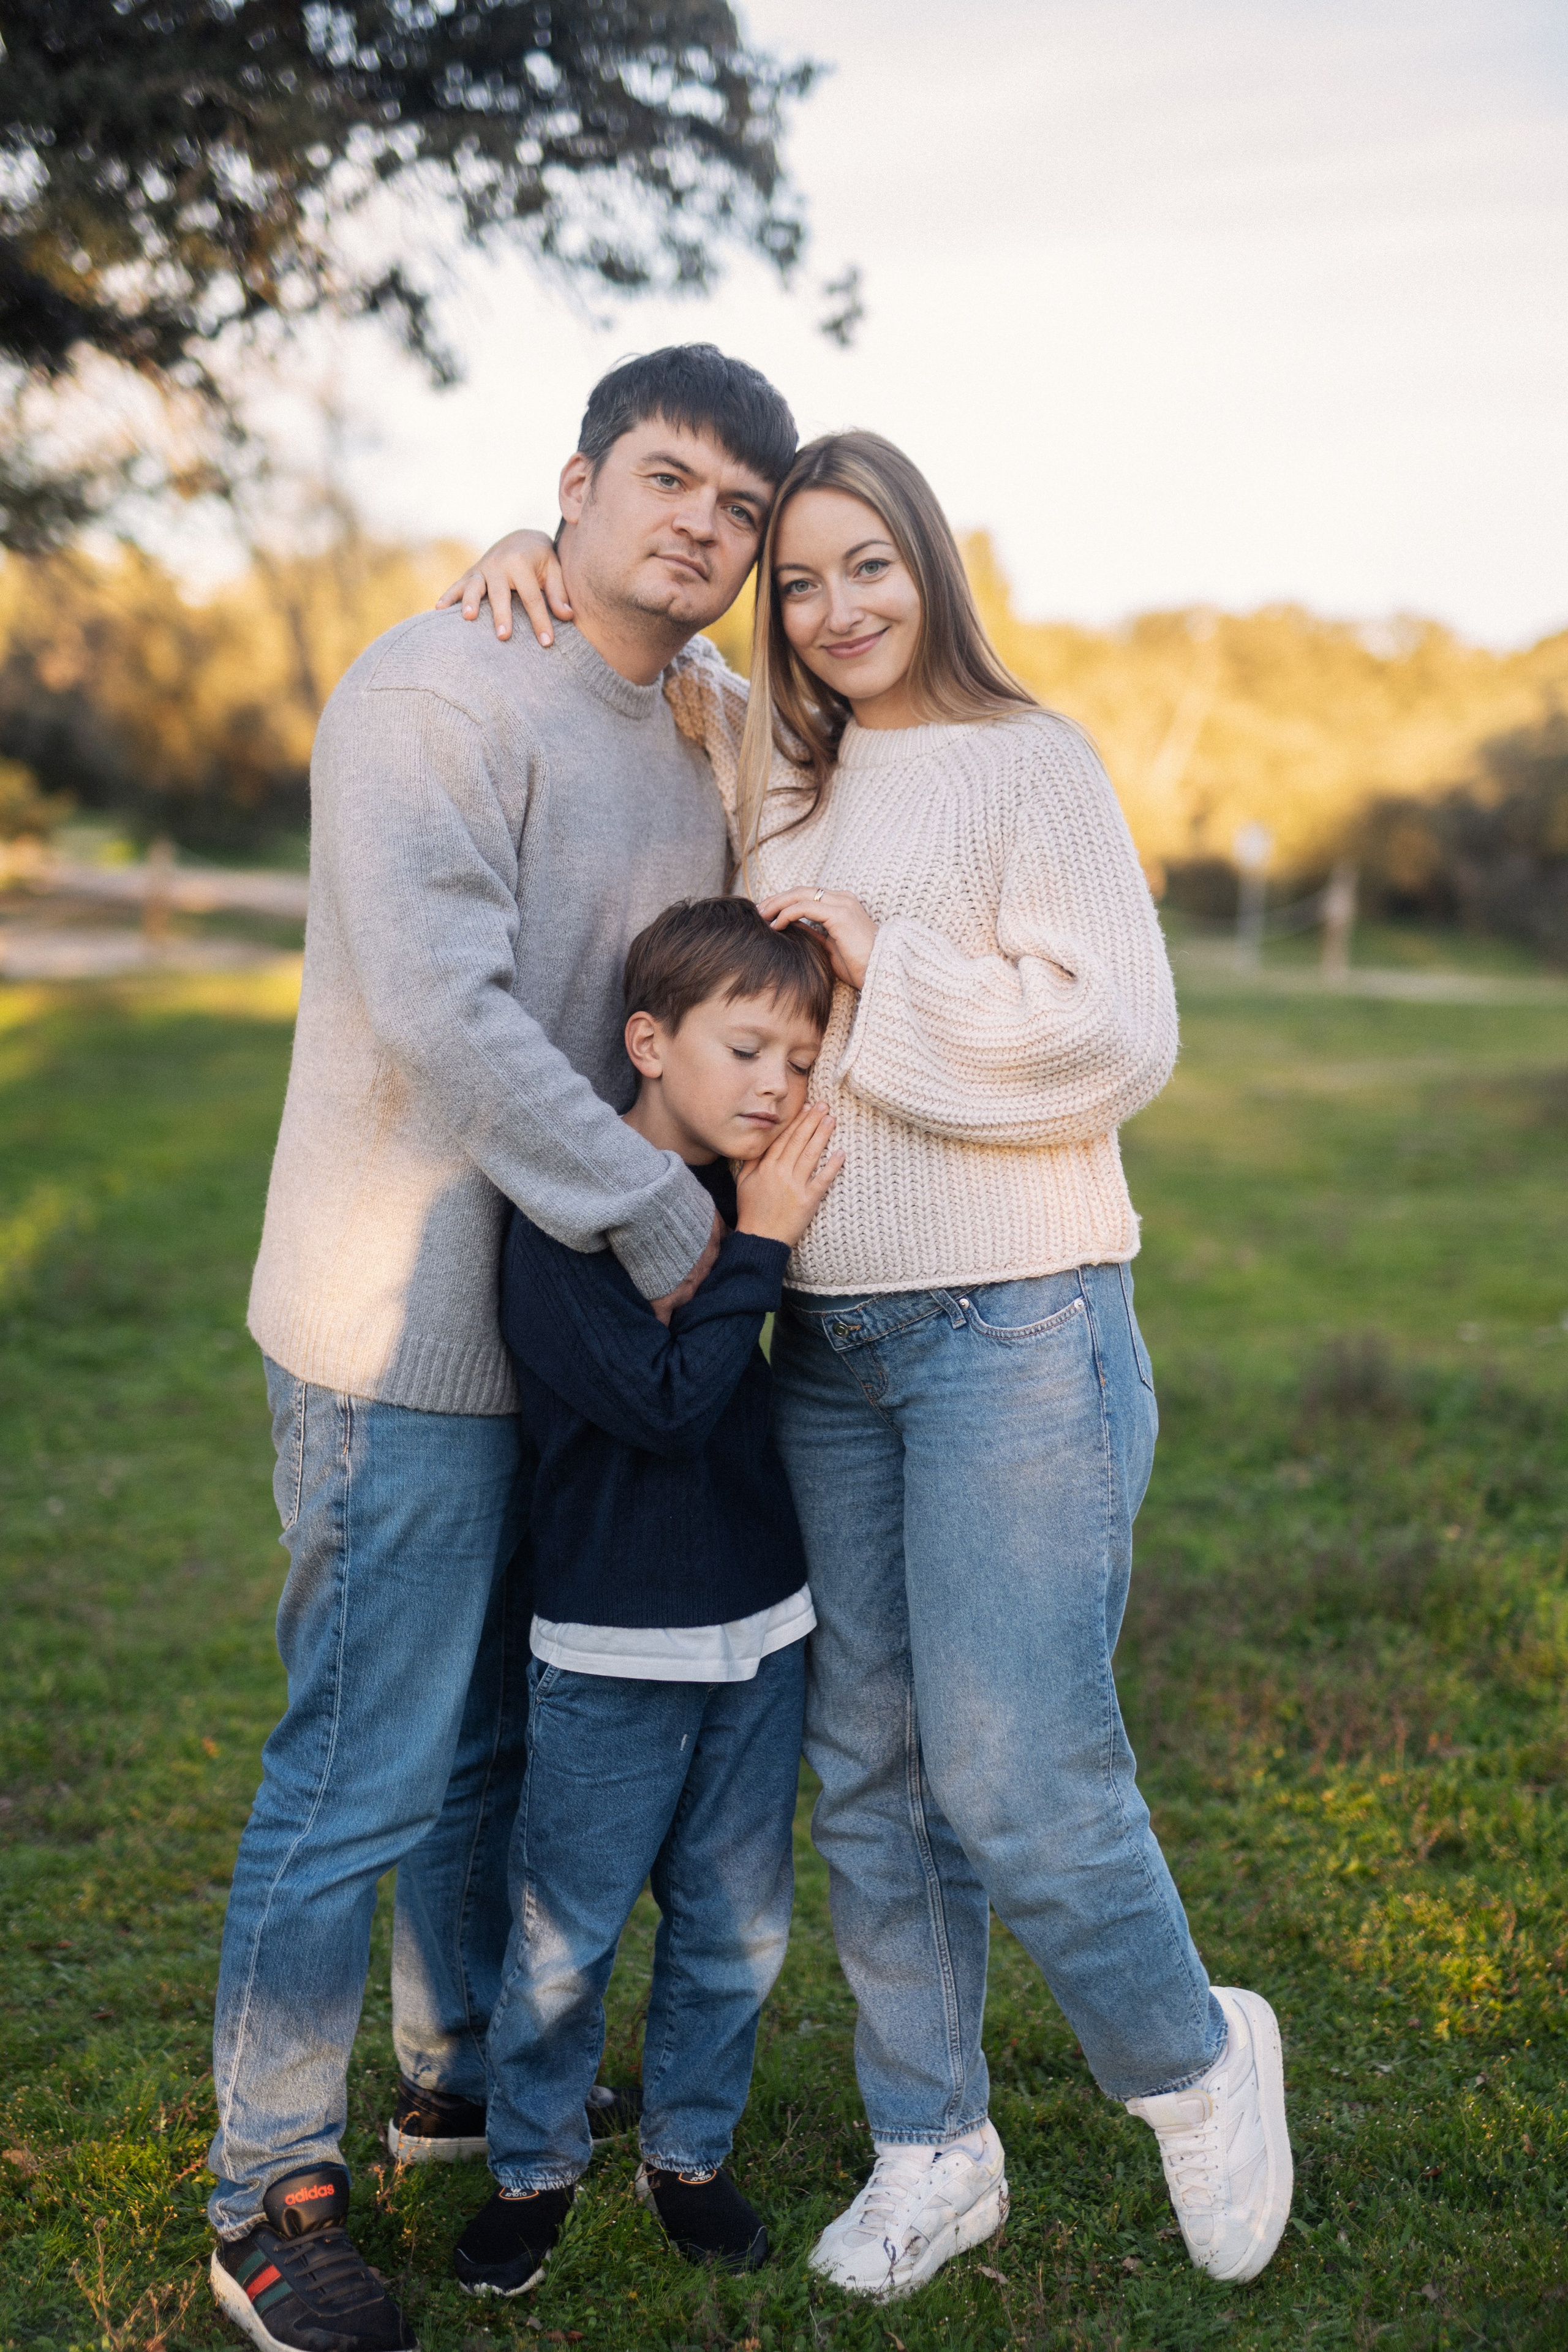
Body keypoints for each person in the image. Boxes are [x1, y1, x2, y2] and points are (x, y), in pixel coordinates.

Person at [447, 432, 1294, 2302]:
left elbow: (1119, 1043)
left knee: (1018, 1770)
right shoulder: (778, 765)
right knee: (872, 1774)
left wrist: (883, 964)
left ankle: (1195, 2058)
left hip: (1014, 1321)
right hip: (824, 1345)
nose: (835, 610)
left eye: (868, 567)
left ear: (932, 563)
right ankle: (934, 2143)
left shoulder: (1030, 763)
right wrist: (538, 545)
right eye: (801, 580)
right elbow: (657, 642)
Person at [207, 346, 798, 2352]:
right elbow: (445, 1013)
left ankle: (454, 2080)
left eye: (738, 508)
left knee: (496, 1741)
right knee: (359, 1766)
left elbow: (811, 769)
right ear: (577, 480)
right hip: (403, 1327)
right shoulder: (434, 690)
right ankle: (265, 2196)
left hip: (575, 1345)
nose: (701, 527)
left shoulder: (701, 721)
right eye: (665, 480)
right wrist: (661, 1214)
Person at [453, 897, 842, 2297]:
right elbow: (666, 1404)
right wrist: (763, 1245)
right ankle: (531, 2167)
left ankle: (687, 2152)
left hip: (761, 1630)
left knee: (736, 1926)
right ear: (647, 1040)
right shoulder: (566, 1218)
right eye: (745, 1050)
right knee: (566, 1935)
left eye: (799, 1063)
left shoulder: (749, 1201)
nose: (775, 1088)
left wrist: (760, 1234)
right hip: (613, 1641)